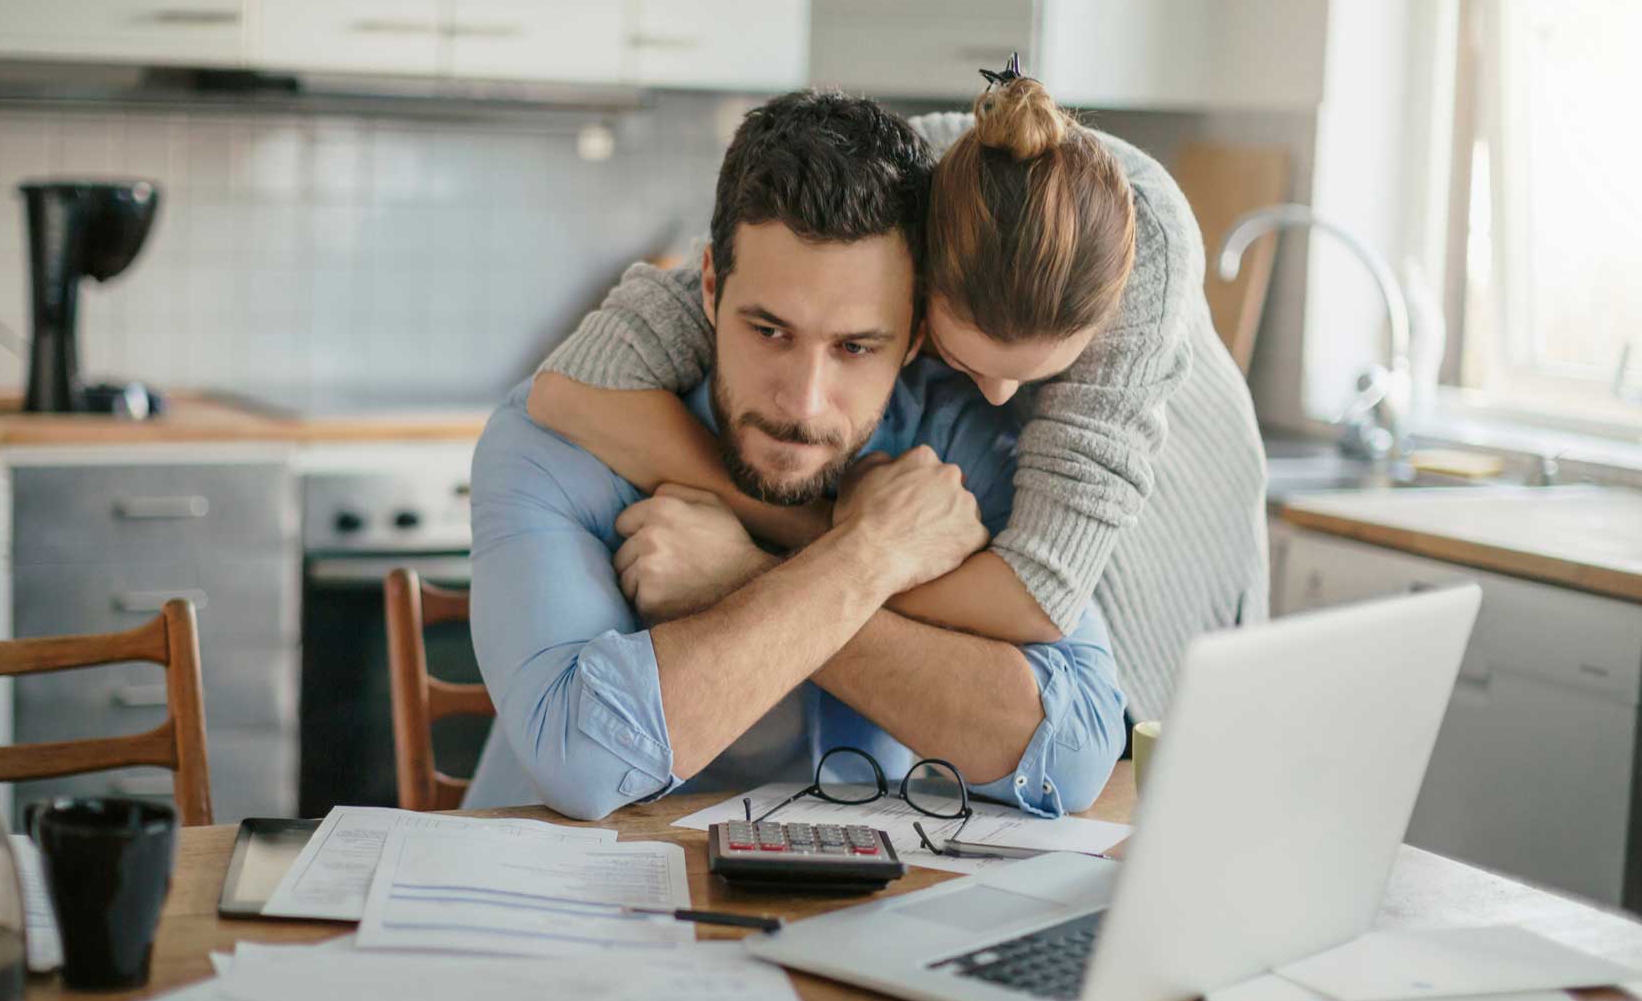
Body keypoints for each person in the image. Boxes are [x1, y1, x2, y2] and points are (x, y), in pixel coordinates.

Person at [528, 71, 1268, 722]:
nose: (998, 396)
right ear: (913, 294)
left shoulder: (1145, 260)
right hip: (970, 532)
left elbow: (1036, 598)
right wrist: (854, 543)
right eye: (960, 356)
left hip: (1176, 524)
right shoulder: (884, 198)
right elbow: (572, 389)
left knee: (1155, 756)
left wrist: (782, 563)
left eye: (1038, 374)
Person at [464, 91, 1125, 821]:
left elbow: (1071, 756)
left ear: (915, 336)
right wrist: (868, 558)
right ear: (710, 288)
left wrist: (738, 576)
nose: (803, 403)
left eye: (855, 347)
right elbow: (585, 761)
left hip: (862, 889)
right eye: (769, 332)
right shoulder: (557, 441)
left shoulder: (954, 447)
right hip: (573, 884)